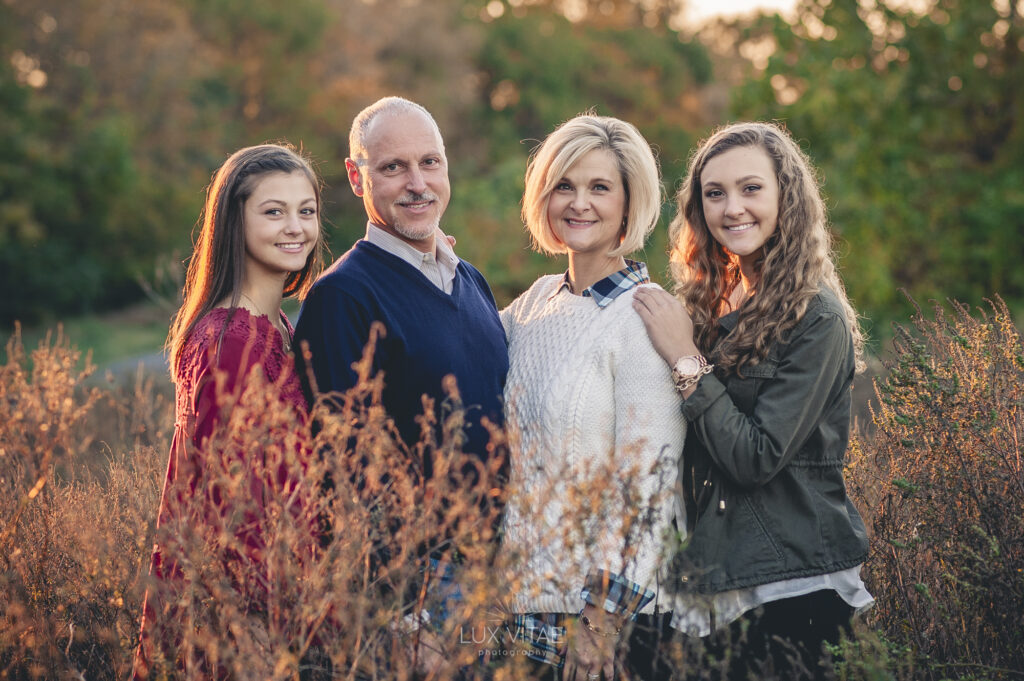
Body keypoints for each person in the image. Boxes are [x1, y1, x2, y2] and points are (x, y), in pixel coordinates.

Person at [632, 121, 873, 679]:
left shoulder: (818, 319)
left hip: (790, 588)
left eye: (750, 188)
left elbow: (755, 458)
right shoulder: (708, 304)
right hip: (709, 579)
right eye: (714, 194)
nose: (732, 208)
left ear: (785, 197)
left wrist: (686, 358)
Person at [291, 97, 508, 674]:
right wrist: (401, 615)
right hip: (418, 593)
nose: (418, 184)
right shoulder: (343, 297)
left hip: (492, 573)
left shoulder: (472, 280)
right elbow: (340, 469)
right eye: (394, 168)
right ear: (356, 177)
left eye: (430, 163)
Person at [500, 114, 687, 681]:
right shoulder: (534, 304)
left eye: (599, 187)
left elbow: (648, 486)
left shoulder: (645, 317)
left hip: (594, 620)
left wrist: (598, 625)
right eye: (565, 185)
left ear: (630, 204)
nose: (579, 203)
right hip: (516, 603)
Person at [133, 143, 325, 678]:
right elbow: (230, 507)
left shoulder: (277, 328)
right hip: (248, 629)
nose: (296, 227)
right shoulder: (232, 339)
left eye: (306, 211)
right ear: (232, 223)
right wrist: (256, 634)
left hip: (288, 605)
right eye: (273, 211)